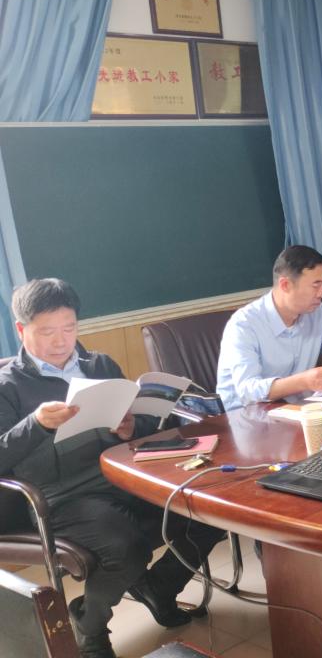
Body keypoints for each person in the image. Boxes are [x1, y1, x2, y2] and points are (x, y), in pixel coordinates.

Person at [0, 279, 225, 658]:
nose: (61, 341)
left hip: (124, 476)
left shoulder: (99, 365)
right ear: (22, 330)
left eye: (69, 328)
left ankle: (160, 587)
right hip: (63, 496)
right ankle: (90, 626)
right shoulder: (8, 386)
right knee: (125, 547)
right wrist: (36, 424)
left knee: (208, 510)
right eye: (47, 331)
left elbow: (141, 425)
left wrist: (131, 427)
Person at [216, 245, 322, 410]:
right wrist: (303, 381)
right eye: (315, 285)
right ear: (285, 285)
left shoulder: (318, 312)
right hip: (244, 416)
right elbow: (247, 391)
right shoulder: (244, 324)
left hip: (297, 408)